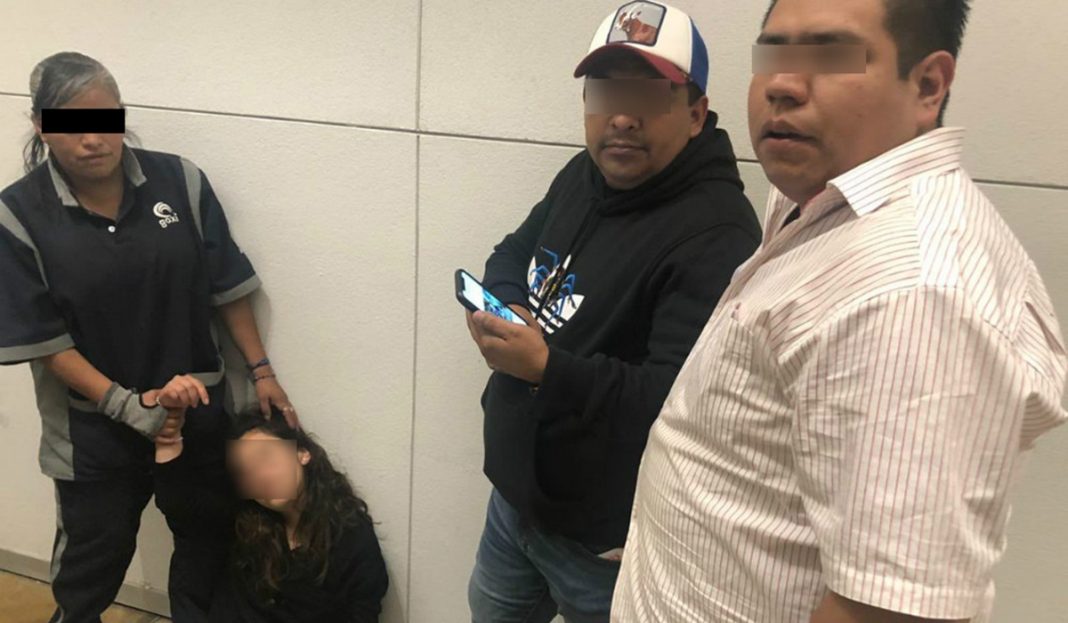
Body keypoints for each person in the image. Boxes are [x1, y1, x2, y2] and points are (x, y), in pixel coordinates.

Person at [614, 1, 1068, 622]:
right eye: (773, 52)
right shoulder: (819, 195)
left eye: (830, 56)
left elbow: (890, 610)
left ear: (927, 86)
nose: (782, 84)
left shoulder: (911, 293)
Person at [463, 2, 761, 621]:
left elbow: (674, 400)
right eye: (605, 94)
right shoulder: (585, 172)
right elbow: (513, 251)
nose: (621, 117)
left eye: (648, 97)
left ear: (696, 113)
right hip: (516, 499)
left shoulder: (718, 234)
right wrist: (511, 303)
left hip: (601, 545)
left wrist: (546, 368)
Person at [0, 51, 299, 622]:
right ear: (40, 125)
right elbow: (45, 339)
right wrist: (126, 406)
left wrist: (262, 371)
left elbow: (225, 285)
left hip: (198, 409)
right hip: (94, 430)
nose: (94, 139)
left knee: (208, 547)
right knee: (91, 565)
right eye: (73, 125)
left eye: (105, 119)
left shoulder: (179, 180)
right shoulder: (16, 214)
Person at [153, 408, 389, 622]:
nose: (261, 476)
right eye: (247, 471)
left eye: (266, 457)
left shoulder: (349, 532)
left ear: (302, 453)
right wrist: (167, 441)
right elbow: (180, 508)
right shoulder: (244, 519)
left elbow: (362, 611)